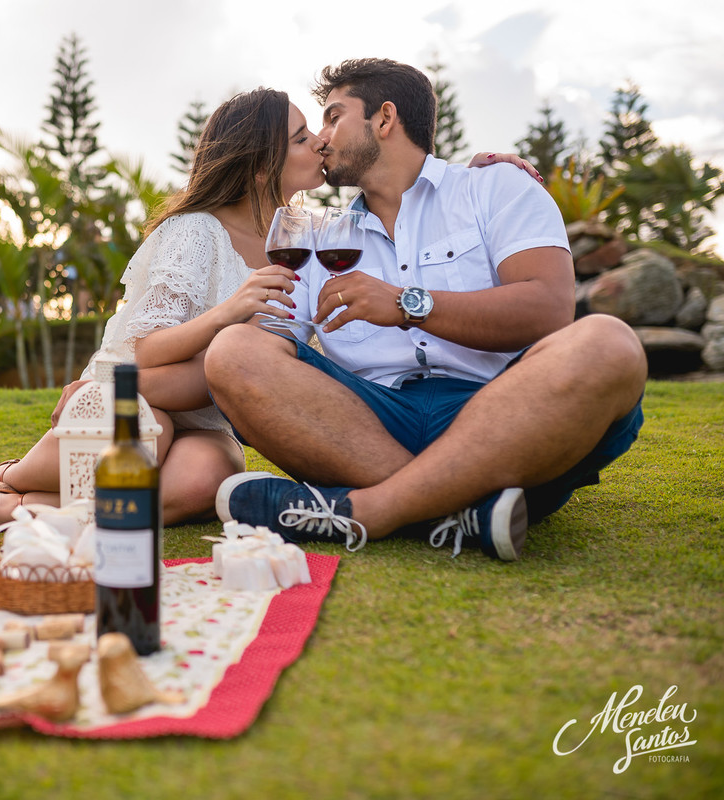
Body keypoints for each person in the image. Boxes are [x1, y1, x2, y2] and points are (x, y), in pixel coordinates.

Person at [0, 85, 541, 533]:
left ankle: (16, 509)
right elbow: (145, 348)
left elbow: (403, 200)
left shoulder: (308, 236)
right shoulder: (196, 230)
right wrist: (225, 315)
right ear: (264, 162)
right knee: (147, 437)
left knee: (205, 483)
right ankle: (0, 479)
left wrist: (476, 171)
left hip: (214, 411)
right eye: (300, 138)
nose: (320, 143)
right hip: (138, 388)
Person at [208, 58, 647, 560]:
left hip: (503, 416)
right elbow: (269, 342)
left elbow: (548, 309)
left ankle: (369, 511)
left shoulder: (495, 187)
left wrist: (405, 304)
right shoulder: (318, 235)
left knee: (607, 342)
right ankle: (462, 512)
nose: (322, 138)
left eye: (333, 117)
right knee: (234, 351)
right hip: (368, 424)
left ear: (385, 118)